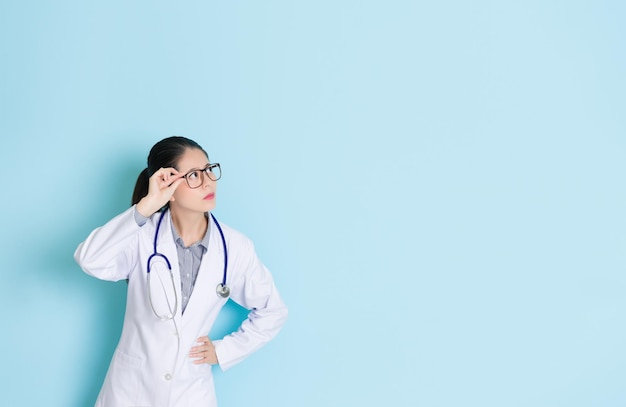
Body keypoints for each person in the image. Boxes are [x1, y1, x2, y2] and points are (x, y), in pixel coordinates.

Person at [74, 136, 288, 407]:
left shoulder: (235, 247)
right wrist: (147, 206)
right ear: (169, 186)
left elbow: (274, 311)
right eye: (195, 175)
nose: (208, 181)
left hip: (191, 393)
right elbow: (89, 259)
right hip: (130, 392)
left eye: (209, 170)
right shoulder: (141, 234)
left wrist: (224, 351)